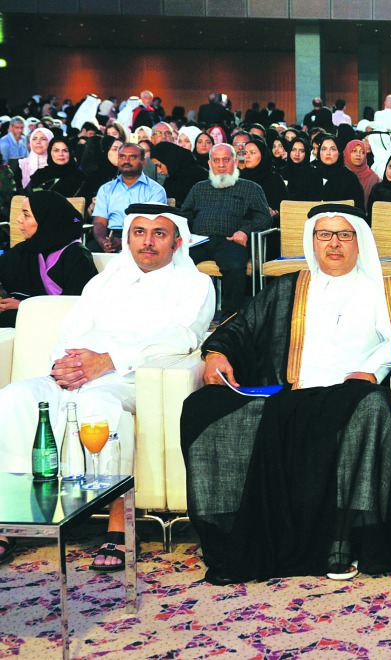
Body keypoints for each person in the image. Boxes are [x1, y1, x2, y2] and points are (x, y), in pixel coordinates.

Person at [180, 204, 391, 584]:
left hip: (351, 392)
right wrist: (217, 353)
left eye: (344, 235)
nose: (334, 244)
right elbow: (242, 327)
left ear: (359, 242)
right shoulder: (288, 286)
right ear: (312, 241)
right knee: (202, 406)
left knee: (372, 408)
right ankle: (236, 534)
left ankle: (342, 543)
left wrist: (373, 371)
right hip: (292, 393)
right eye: (324, 235)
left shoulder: (386, 288)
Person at [0, 203, 214, 570]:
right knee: (14, 398)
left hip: (131, 379)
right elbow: (69, 330)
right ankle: (8, 520)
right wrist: (64, 365)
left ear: (177, 242)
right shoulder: (103, 282)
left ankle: (118, 528)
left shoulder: (194, 284)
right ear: (128, 237)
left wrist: (108, 361)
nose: (148, 242)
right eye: (139, 232)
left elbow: (181, 338)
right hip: (78, 373)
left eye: (159, 234)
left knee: (99, 406)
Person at [180, 143, 271, 322]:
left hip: (230, 241)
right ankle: (187, 313)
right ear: (210, 164)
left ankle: (232, 317)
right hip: (199, 241)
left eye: (226, 160)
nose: (221, 165)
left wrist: (245, 231)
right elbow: (184, 215)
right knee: (178, 262)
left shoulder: (250, 188)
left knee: (234, 266)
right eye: (216, 160)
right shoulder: (199, 188)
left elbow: (264, 218)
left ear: (235, 162)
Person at [0, 191, 97, 327]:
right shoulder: (26, 249)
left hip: (58, 325)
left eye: (26, 215)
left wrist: (25, 305)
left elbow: (77, 308)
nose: (19, 219)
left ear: (47, 219)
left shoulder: (77, 257)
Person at [91, 144, 168, 252]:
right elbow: (99, 221)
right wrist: (103, 241)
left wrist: (124, 242)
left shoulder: (155, 190)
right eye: (122, 156)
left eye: (132, 157)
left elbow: (152, 225)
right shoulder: (106, 189)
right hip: (112, 234)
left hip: (143, 237)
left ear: (143, 161)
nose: (126, 161)